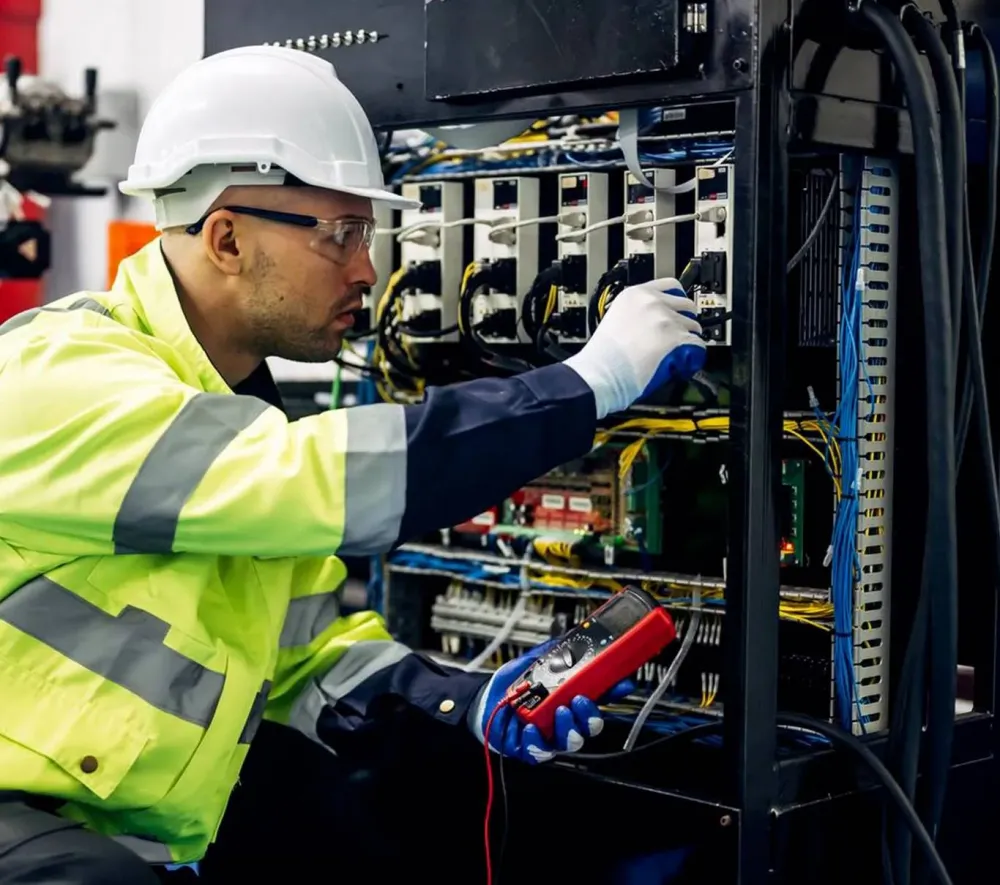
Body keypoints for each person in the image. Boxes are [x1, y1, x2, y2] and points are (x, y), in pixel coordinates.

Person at [0, 45, 706, 883]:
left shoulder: (234, 417)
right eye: (341, 236)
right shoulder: (63, 372)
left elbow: (304, 653)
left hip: (118, 831)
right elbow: (313, 477)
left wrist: (464, 699)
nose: (369, 272)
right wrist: (585, 385)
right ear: (225, 237)